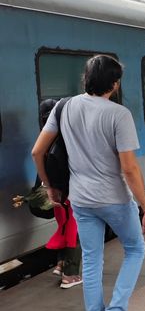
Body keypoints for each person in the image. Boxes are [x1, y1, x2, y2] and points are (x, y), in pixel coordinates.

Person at [31, 55, 145, 311]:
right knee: (136, 249)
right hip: (114, 198)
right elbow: (129, 168)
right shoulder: (119, 114)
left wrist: (50, 187)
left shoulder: (63, 107)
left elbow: (38, 151)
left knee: (92, 262)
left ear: (85, 80)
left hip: (81, 200)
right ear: (114, 84)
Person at [39, 99, 82, 289]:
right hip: (71, 192)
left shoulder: (45, 137)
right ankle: (70, 275)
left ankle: (60, 264)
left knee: (63, 226)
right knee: (75, 230)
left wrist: (48, 186)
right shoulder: (66, 138)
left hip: (55, 194)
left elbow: (36, 155)